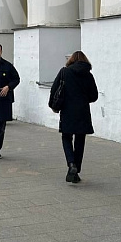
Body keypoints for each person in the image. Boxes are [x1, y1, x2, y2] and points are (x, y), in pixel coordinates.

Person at [49, 51, 98, 184]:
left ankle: (71, 164)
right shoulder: (88, 75)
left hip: (67, 110)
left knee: (66, 137)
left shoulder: (65, 72)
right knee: (80, 140)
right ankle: (76, 170)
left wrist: (53, 105)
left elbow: (54, 89)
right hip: (82, 111)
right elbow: (94, 96)